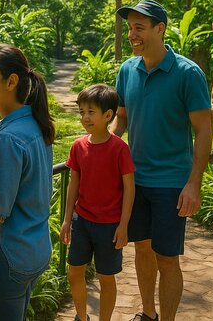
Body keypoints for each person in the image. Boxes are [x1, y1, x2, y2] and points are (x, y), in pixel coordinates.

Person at [110, 0, 213, 321]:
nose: (132, 35)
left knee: (167, 258)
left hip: (171, 182)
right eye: (129, 28)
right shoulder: (127, 70)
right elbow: (121, 119)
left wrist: (193, 184)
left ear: (160, 29)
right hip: (135, 180)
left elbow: (204, 130)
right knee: (141, 248)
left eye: (139, 28)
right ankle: (148, 313)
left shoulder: (187, 73)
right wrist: (99, 142)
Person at [0, 43, 55, 320]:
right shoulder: (35, 124)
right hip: (34, 250)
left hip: (7, 258)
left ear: (11, 82)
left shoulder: (8, 137)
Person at [61, 83, 136, 321]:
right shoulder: (78, 146)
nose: (85, 117)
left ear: (108, 115)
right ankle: (81, 317)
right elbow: (74, 184)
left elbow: (129, 188)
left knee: (106, 278)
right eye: (82, 111)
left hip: (109, 226)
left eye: (90, 112)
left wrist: (124, 225)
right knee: (74, 272)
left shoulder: (119, 149)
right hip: (81, 221)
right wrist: (66, 219)